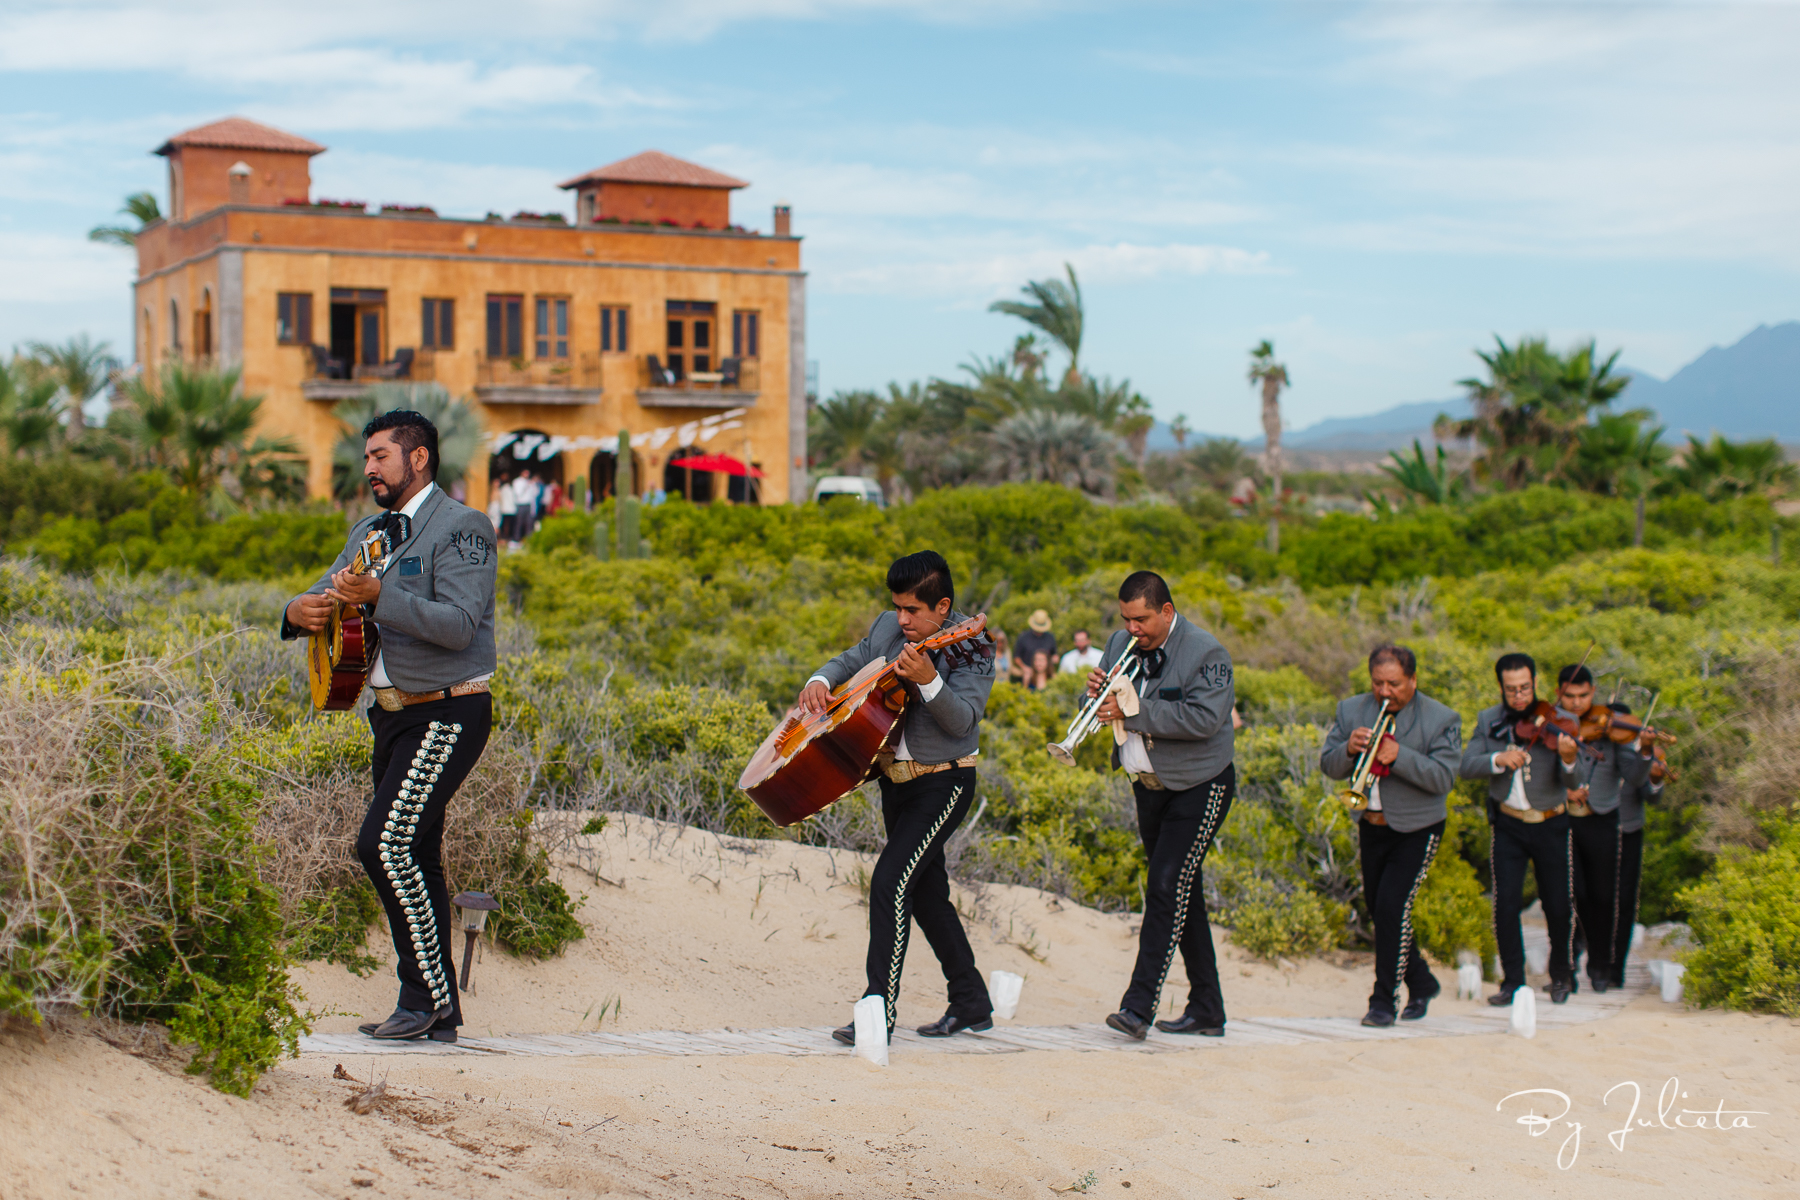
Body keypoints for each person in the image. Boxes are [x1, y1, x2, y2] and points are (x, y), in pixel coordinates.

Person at [281, 410, 498, 1043]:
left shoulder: (465, 529)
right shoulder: (369, 532)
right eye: (367, 457)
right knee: (418, 855)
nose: (369, 467)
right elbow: (327, 591)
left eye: (380, 456)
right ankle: (439, 1012)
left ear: (419, 458)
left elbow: (460, 624)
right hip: (391, 717)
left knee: (383, 842)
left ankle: (422, 996)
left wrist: (380, 599)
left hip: (451, 708)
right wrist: (296, 611)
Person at [797, 551, 997, 1044]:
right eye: (897, 607)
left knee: (889, 881)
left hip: (945, 782)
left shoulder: (975, 648)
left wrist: (928, 680)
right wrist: (820, 680)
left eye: (913, 610)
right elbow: (851, 658)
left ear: (942, 606)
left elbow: (964, 722)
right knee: (928, 895)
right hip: (894, 781)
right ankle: (971, 999)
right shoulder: (889, 625)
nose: (902, 619)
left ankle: (876, 1013)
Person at [1088, 570, 1236, 1040]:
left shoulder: (1207, 652)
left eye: (1142, 620)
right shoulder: (1119, 642)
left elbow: (1205, 719)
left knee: (1166, 883)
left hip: (1201, 784)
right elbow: (1113, 700)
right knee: (1180, 892)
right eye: (1127, 619)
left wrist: (1133, 711)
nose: (1133, 629)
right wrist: (1094, 696)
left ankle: (1138, 1007)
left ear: (1167, 612)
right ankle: (1208, 1009)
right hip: (1148, 784)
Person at [1320, 644, 1462, 1027]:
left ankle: (1383, 1001)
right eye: (1378, 683)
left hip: (1419, 826)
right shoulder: (1352, 710)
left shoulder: (1441, 718)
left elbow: (1444, 778)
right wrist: (1348, 750)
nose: (1385, 692)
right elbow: (1328, 765)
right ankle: (1422, 980)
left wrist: (1398, 755)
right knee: (1380, 909)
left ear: (1413, 680)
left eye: (1395, 684)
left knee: (1392, 908)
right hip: (1373, 824)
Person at [1460, 653, 1579, 1006]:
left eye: (1525, 688)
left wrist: (1570, 758)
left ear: (1535, 683)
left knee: (1557, 904)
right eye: (1511, 689)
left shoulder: (1562, 721)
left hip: (1551, 822)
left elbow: (1576, 779)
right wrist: (1497, 760)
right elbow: (1466, 765)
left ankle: (1561, 975)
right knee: (1506, 902)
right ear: (1501, 687)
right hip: (1508, 822)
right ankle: (1513, 981)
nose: (1519, 696)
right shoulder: (1488, 720)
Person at [1559, 669, 1656, 993]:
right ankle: (1566, 967)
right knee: (1571, 895)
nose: (1576, 703)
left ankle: (1602, 965)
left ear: (1593, 693)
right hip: (1562, 817)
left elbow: (1635, 776)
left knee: (1603, 896)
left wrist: (1645, 751)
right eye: (1569, 697)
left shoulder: (1609, 729)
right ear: (1559, 693)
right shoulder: (1553, 725)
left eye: (1583, 696)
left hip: (1601, 817)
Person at [1612, 702, 1661, 988]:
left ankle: (1617, 965)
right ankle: (1592, 954)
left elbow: (1652, 796)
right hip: (1597, 831)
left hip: (1629, 831)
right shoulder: (1597, 750)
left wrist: (1654, 779)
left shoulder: (1639, 755)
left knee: (1626, 900)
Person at [1014, 610, 1057, 679]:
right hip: (1028, 675)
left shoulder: (1050, 637)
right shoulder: (1023, 637)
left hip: (1045, 676)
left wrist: (1054, 659)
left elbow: (1054, 654)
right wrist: (1024, 668)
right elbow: (1016, 657)